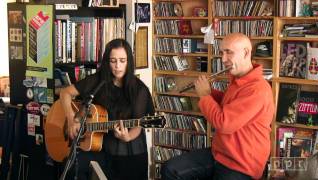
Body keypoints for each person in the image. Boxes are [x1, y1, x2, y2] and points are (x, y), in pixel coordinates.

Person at [161, 33, 275, 180]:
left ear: (246, 52)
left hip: (242, 164)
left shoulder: (257, 89)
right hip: (221, 154)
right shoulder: (238, 80)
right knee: (170, 169)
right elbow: (229, 106)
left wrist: (204, 96)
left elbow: (224, 123)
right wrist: (210, 92)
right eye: (222, 52)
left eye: (229, 52)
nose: (223, 59)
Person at [59, 39, 155, 180]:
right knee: (71, 166)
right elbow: (65, 93)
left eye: (122, 61)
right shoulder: (98, 81)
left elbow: (139, 124)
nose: (117, 66)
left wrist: (127, 136)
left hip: (130, 155)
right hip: (101, 150)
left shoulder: (139, 89)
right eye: (113, 61)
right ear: (107, 62)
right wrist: (71, 118)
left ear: (129, 62)